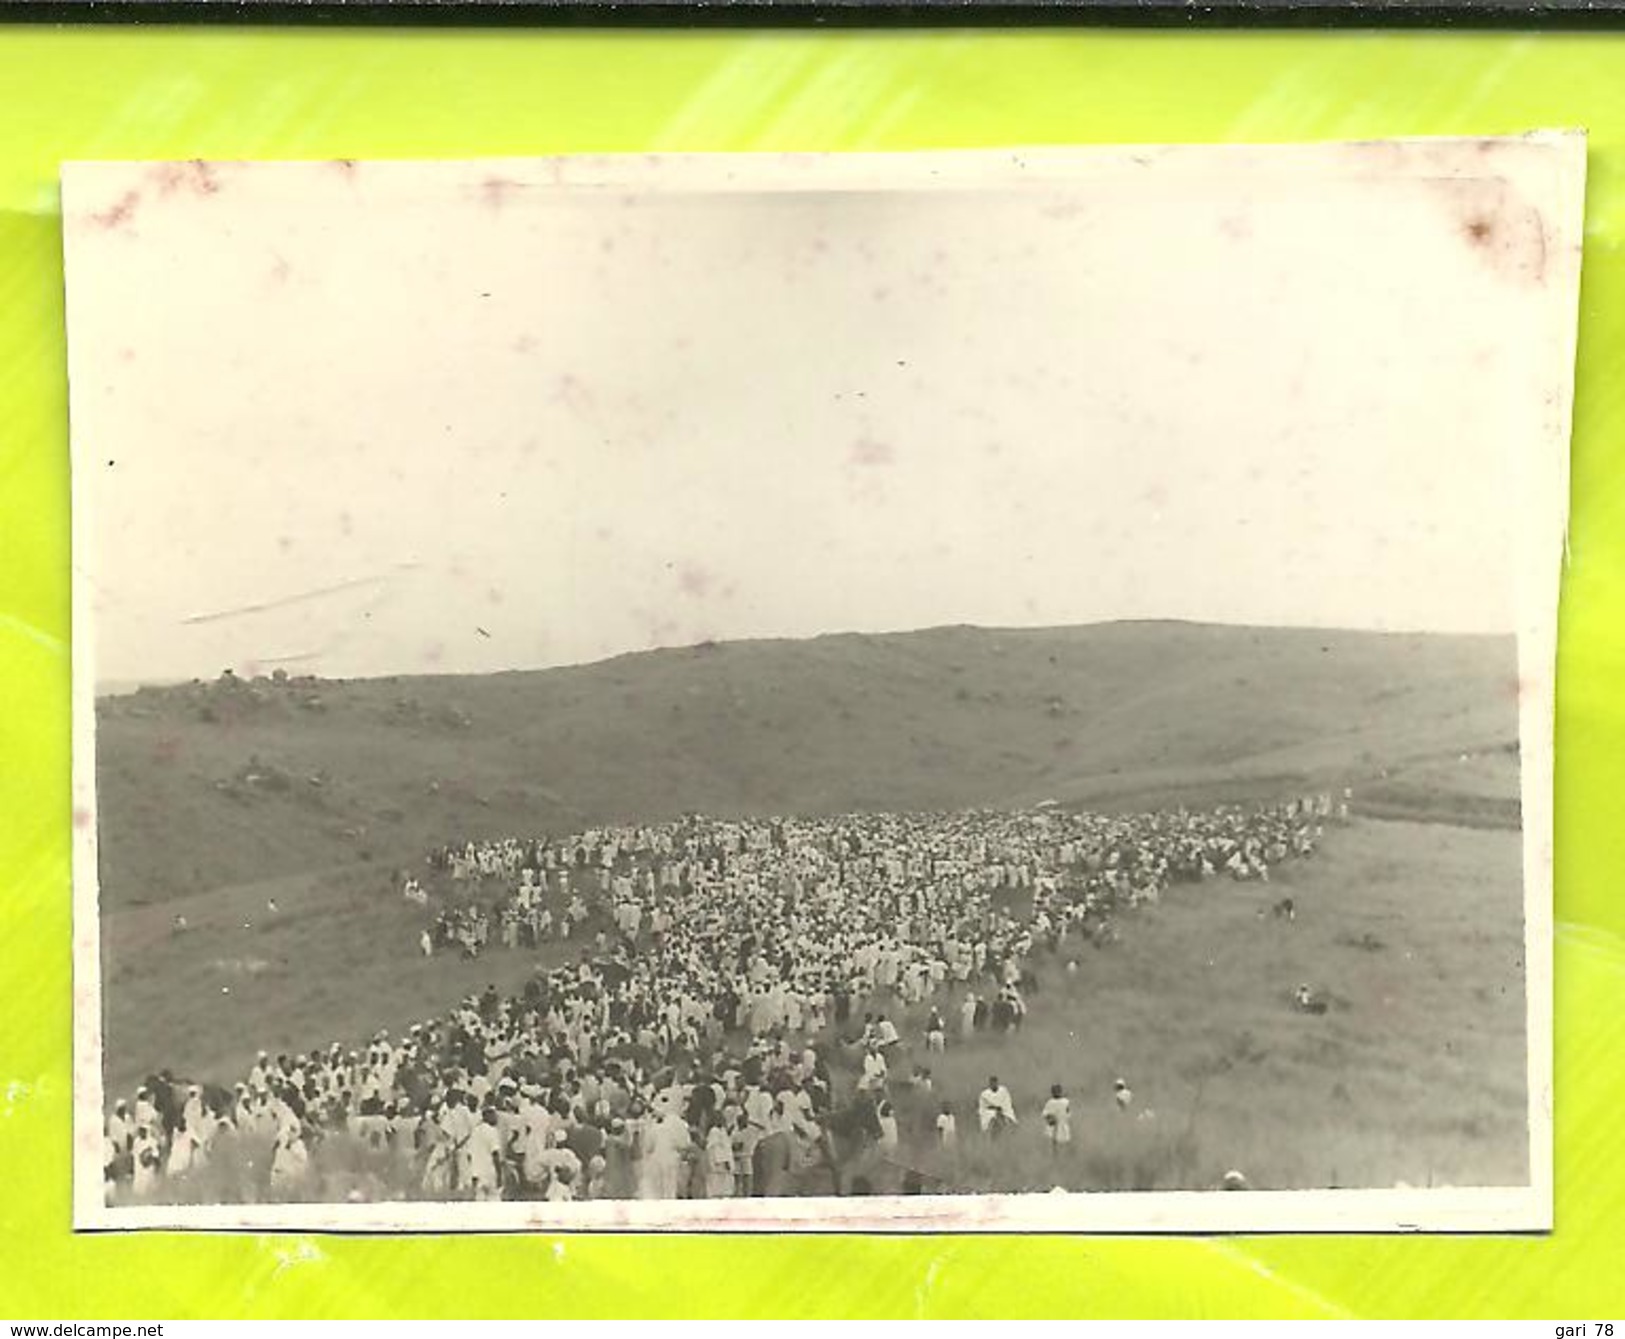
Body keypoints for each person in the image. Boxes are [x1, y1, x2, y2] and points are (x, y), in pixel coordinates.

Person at [703, 1121, 736, 1198]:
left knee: (724, 1189)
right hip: (719, 1163)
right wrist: (724, 1160)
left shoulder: (723, 1131)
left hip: (722, 1164)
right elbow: (714, 1147)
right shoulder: (715, 1131)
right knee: (717, 1188)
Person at [1041, 1083, 1072, 1154]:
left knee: (1057, 1144)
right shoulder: (1064, 1102)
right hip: (1058, 1125)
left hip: (1057, 1125)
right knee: (1058, 1144)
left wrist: (1050, 1119)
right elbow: (1068, 1114)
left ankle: (1059, 1156)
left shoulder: (1051, 1102)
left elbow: (1045, 1114)